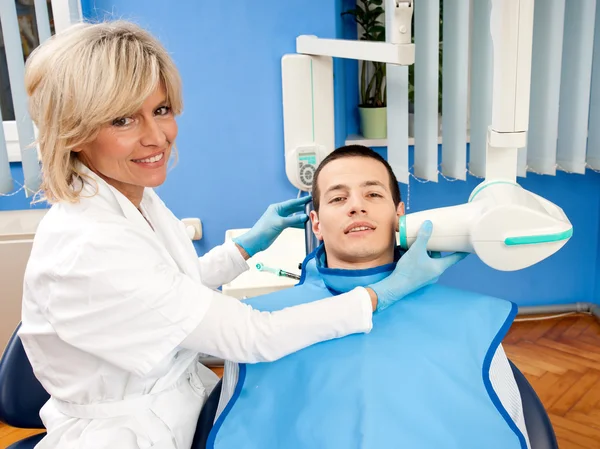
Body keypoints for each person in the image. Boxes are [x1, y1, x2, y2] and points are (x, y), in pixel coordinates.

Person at [18, 21, 466, 449]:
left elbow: (171, 286)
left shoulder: (134, 196)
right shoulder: (87, 245)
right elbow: (253, 336)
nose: (156, 137)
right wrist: (386, 292)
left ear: (398, 211)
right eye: (122, 120)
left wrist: (247, 244)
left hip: (181, 405)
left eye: (160, 110)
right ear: (73, 131)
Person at [209, 145, 531, 449]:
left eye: (373, 194)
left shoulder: (472, 321)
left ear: (399, 215)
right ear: (317, 224)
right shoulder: (251, 326)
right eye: (337, 199)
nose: (356, 206)